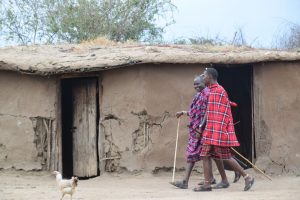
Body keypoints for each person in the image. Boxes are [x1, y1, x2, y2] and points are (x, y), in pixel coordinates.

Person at [195, 68, 254, 192]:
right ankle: (209, 184)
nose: (202, 77)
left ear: (210, 77)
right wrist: (202, 127)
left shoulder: (219, 91)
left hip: (218, 131)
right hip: (211, 130)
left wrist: (218, 132)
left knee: (226, 156)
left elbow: (222, 114)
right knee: (205, 155)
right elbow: (210, 112)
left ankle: (247, 177)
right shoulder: (211, 91)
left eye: (204, 75)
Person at [171, 75, 232, 189]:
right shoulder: (199, 95)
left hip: (205, 130)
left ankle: (235, 176)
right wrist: (184, 112)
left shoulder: (208, 94)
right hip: (197, 129)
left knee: (210, 154)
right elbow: (195, 112)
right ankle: (215, 179)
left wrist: (200, 128)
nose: (195, 86)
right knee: (207, 154)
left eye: (198, 84)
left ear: (204, 82)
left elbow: (207, 113)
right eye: (194, 84)